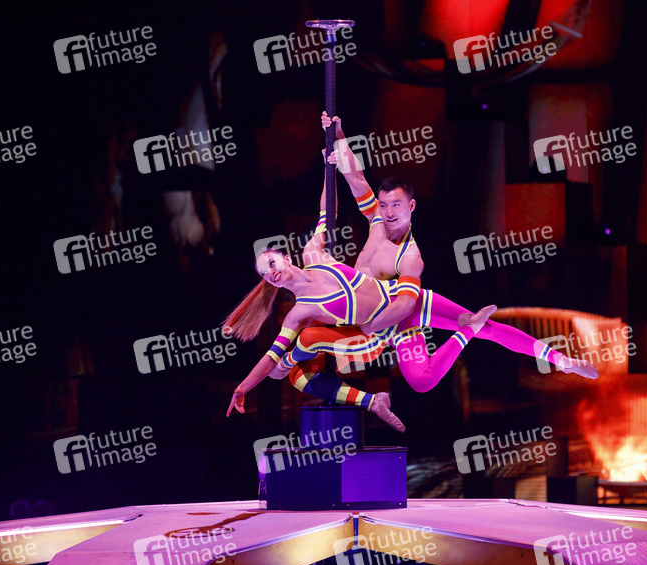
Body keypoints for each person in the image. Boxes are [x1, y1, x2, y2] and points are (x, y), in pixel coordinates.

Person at [319, 112, 598, 378]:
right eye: (384, 205)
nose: (389, 212)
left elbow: (404, 307)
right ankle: (469, 329)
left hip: (397, 315)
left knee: (472, 339)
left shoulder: (410, 256)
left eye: (396, 205)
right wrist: (338, 135)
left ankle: (561, 361)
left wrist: (369, 328)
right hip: (374, 318)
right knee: (421, 377)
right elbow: (355, 178)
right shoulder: (377, 220)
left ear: (411, 206)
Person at [224, 181, 496, 431]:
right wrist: (243, 388)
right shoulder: (299, 313)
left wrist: (328, 167)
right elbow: (270, 357)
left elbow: (326, 212)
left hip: (390, 308)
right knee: (296, 365)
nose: (271, 272)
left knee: (296, 356)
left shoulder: (313, 254)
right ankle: (371, 401)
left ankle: (468, 330)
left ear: (286, 258)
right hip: (369, 337)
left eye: (272, 263)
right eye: (265, 273)